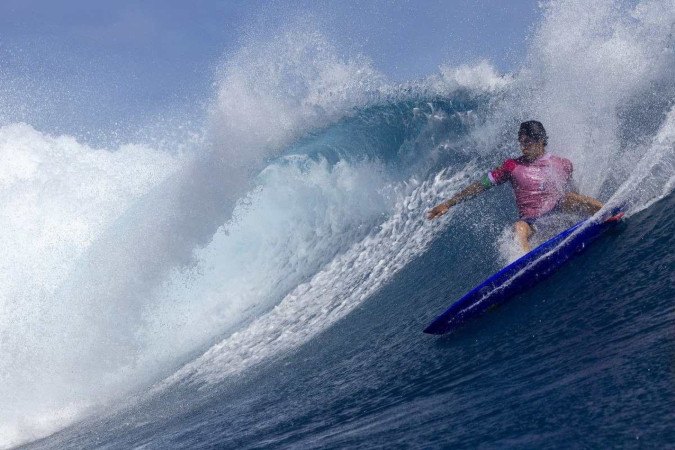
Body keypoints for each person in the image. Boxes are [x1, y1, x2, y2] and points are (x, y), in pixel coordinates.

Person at [427, 120, 603, 252]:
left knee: (570, 198)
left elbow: (576, 194)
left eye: (528, 142)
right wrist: (448, 203)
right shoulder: (511, 166)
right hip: (533, 224)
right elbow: (480, 185)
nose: (523, 147)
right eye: (521, 142)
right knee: (518, 227)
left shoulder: (562, 163)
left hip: (558, 213)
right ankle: (527, 262)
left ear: (541, 141)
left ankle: (606, 212)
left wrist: (580, 209)